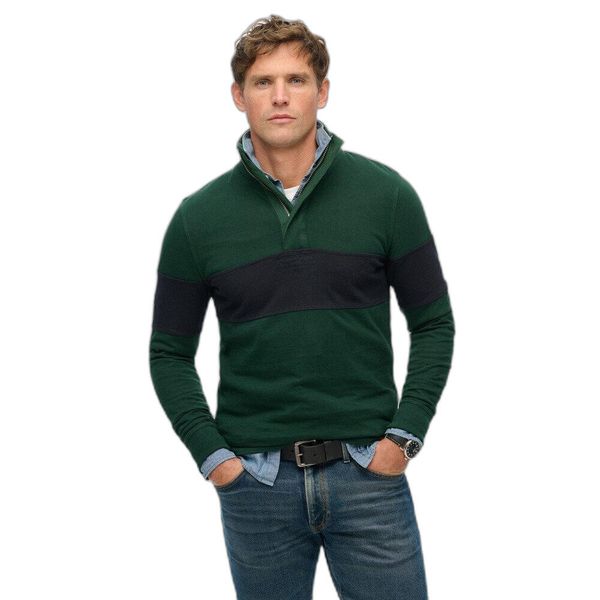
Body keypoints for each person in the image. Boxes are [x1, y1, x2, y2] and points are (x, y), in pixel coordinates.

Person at [149, 14, 454, 600]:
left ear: (323, 91)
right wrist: (215, 459)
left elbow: (434, 323)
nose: (281, 96)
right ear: (238, 96)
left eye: (296, 79)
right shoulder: (198, 219)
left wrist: (404, 438)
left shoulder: (386, 195)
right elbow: (169, 353)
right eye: (263, 82)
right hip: (255, 486)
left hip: (370, 475)